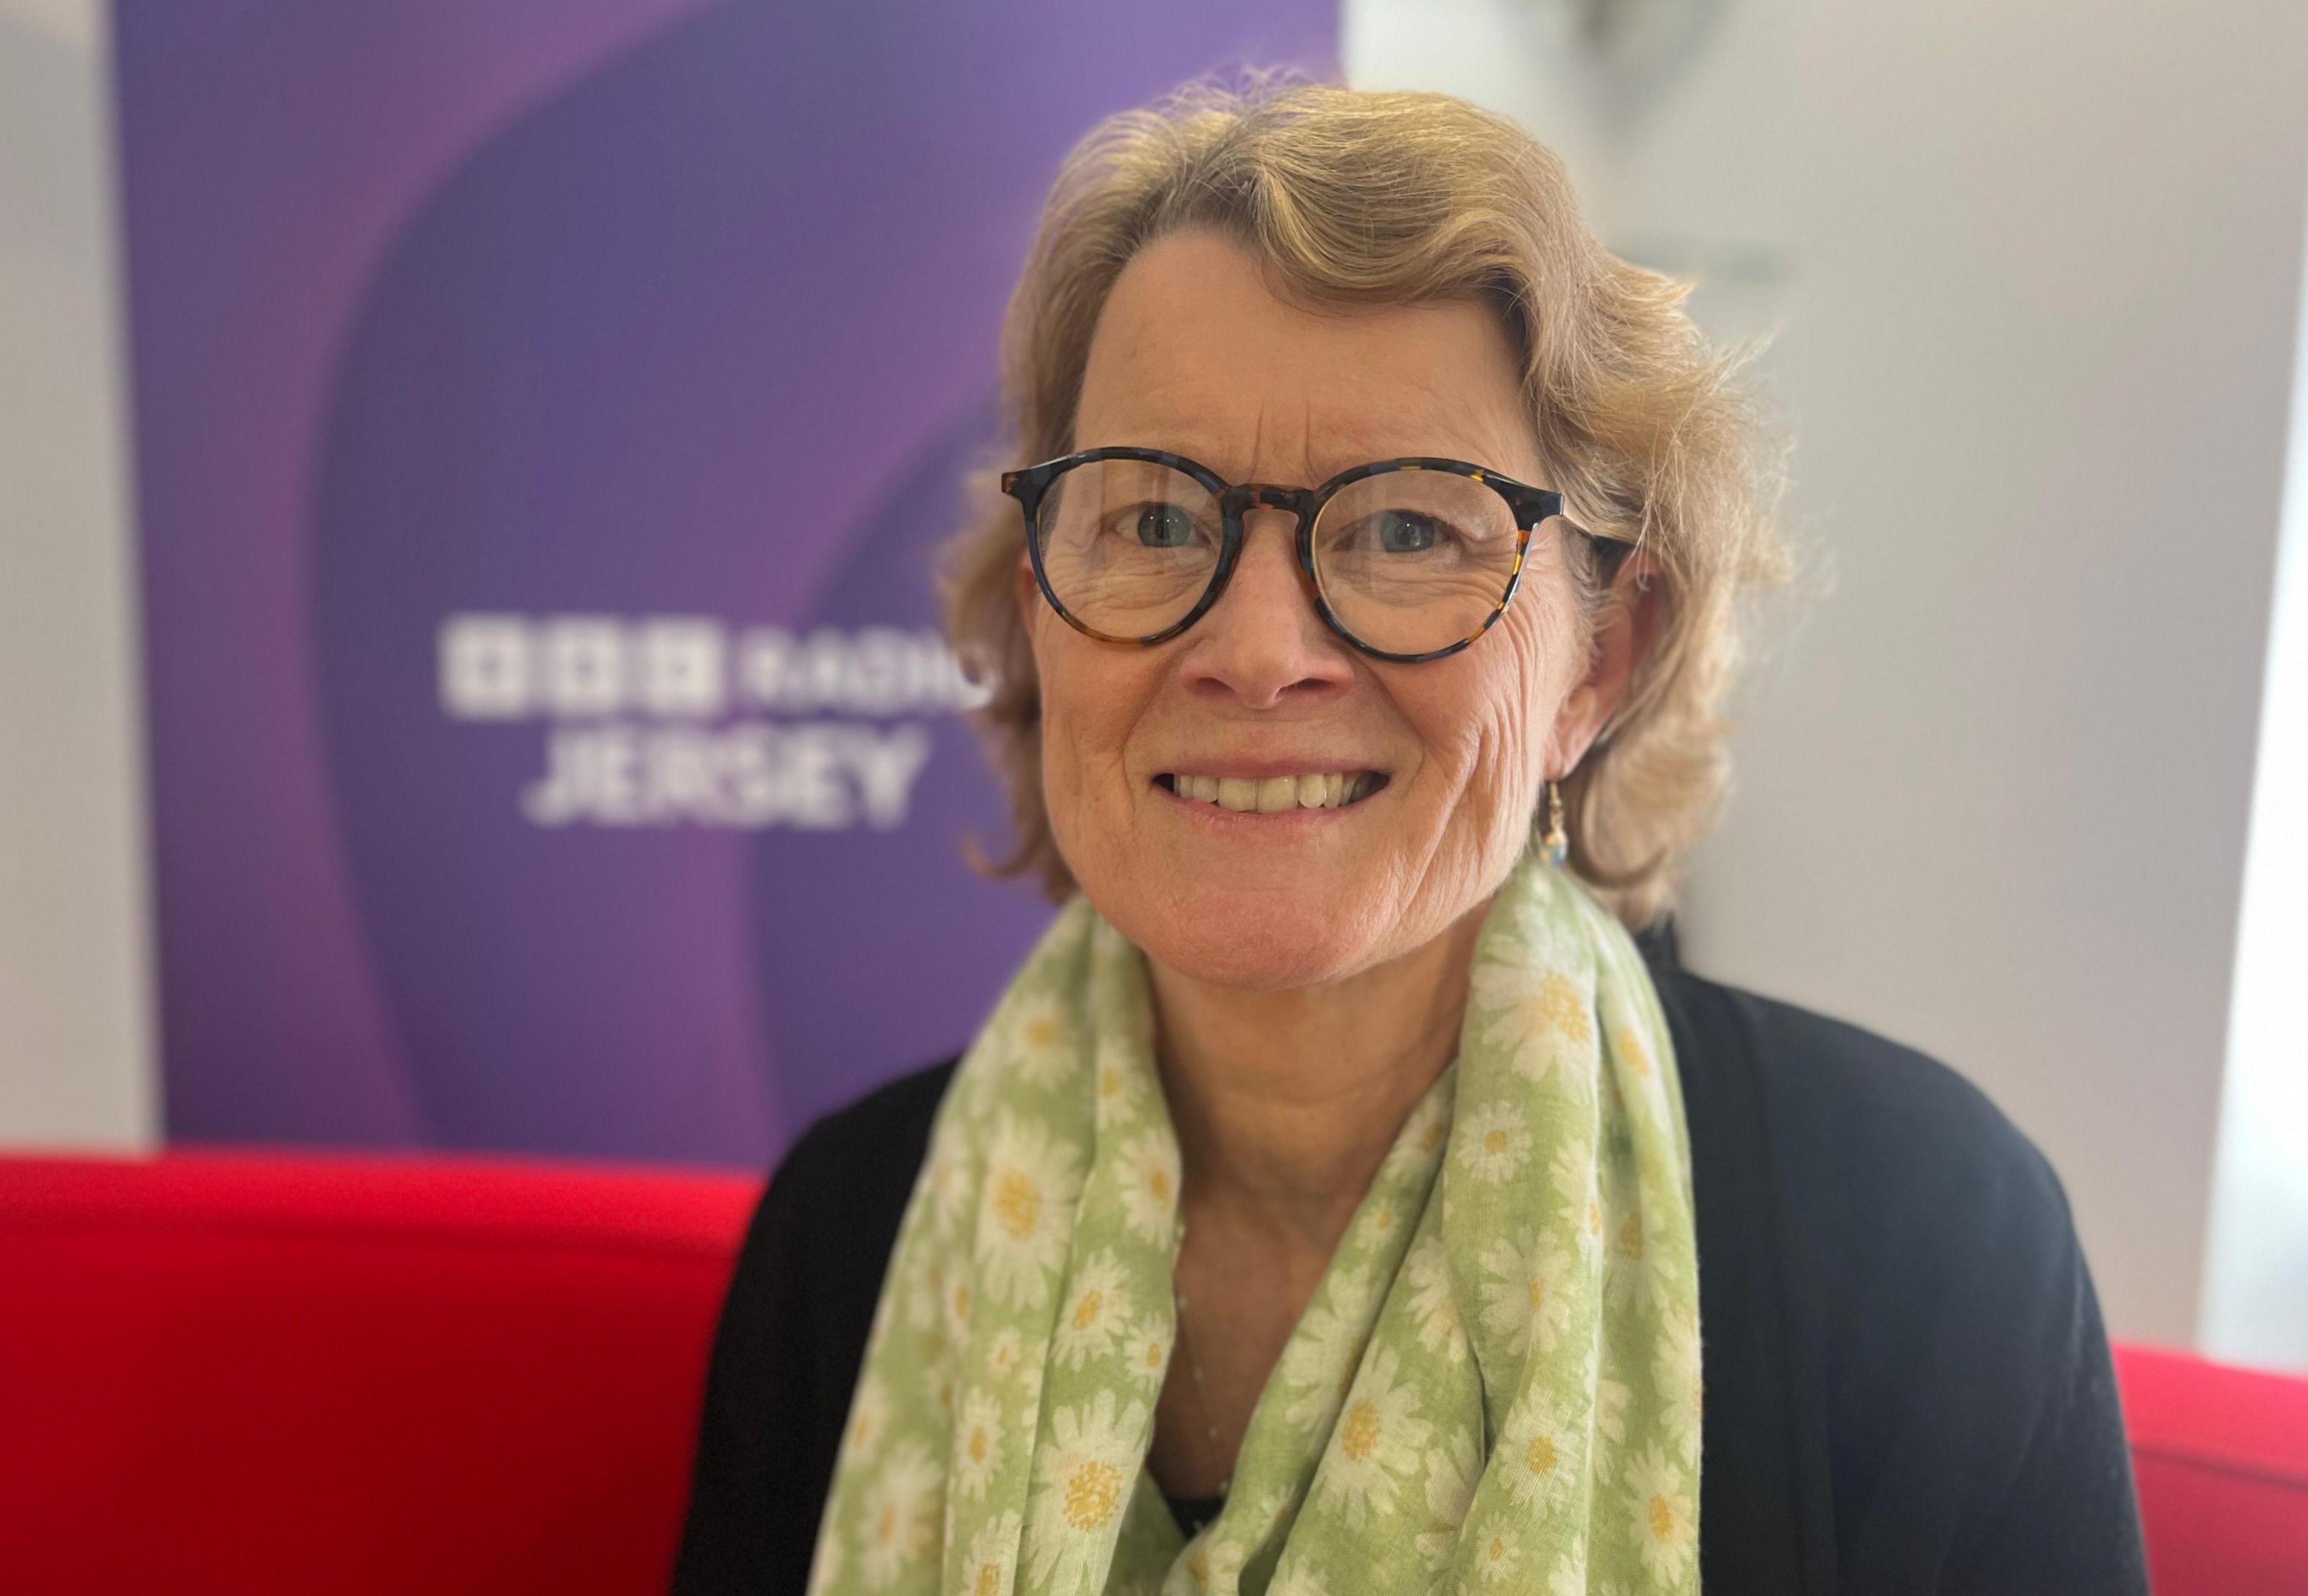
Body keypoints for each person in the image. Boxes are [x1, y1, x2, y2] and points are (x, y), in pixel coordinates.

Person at [673, 81, 2145, 1595]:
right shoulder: (851, 1234)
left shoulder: (1920, 1244)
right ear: (1042, 607)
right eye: (1158, 521)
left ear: (1602, 660)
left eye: (1409, 531)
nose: (1257, 650)